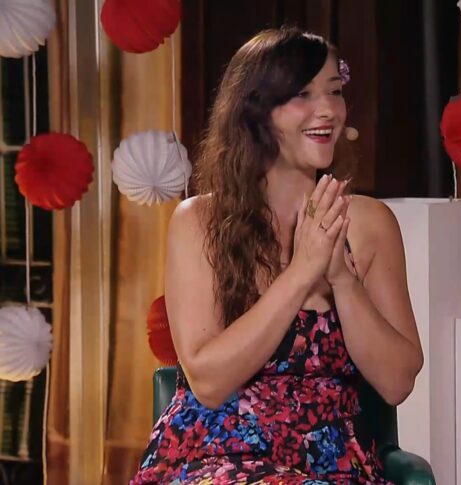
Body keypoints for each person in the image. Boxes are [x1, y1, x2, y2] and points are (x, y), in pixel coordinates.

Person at [130, 27, 423, 485]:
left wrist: (342, 280)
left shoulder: (369, 224)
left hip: (332, 464)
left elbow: (397, 382)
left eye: (334, 91)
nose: (327, 110)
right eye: (303, 94)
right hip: (215, 455)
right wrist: (301, 273)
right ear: (256, 111)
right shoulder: (199, 222)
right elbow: (208, 382)